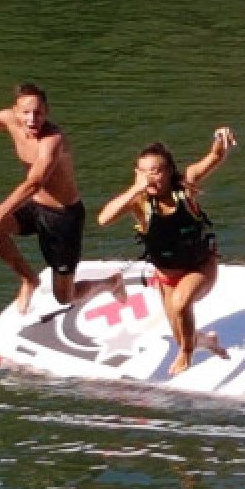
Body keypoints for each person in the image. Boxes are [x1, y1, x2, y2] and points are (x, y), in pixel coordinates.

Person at [97, 129, 236, 376]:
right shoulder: (138, 201)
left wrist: (219, 139)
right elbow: (104, 219)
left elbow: (214, 157)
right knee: (181, 334)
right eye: (143, 172)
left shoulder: (185, 187)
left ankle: (187, 354)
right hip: (166, 276)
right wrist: (135, 189)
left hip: (200, 266)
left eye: (156, 171)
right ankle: (207, 341)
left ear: (169, 171)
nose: (150, 178)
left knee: (181, 303)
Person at [0, 83, 90, 314]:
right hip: (35, 207)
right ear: (15, 111)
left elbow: (35, 182)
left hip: (64, 216)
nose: (32, 119)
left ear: (47, 111)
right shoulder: (8, 119)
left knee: (65, 297)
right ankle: (29, 279)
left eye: (38, 113)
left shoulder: (53, 140)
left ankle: (110, 283)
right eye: (26, 112)